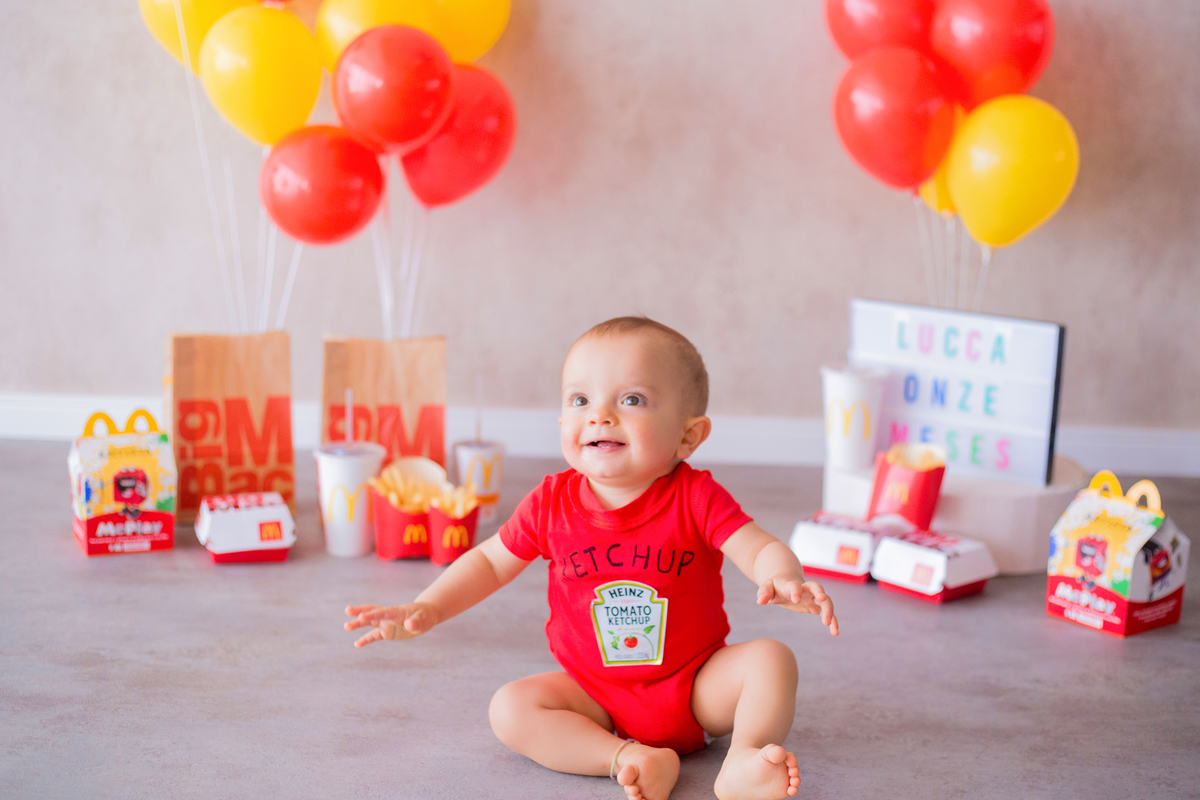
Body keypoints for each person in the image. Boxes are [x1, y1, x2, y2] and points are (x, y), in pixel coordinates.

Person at [345, 317, 839, 800]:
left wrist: (783, 576)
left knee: (773, 661)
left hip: (695, 686)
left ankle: (742, 762)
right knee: (510, 708)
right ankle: (626, 758)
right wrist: (428, 608)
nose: (599, 415)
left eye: (632, 400)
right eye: (581, 400)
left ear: (688, 436)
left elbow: (754, 545)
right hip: (593, 696)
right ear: (562, 422)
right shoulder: (550, 502)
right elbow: (490, 563)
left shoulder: (696, 497)